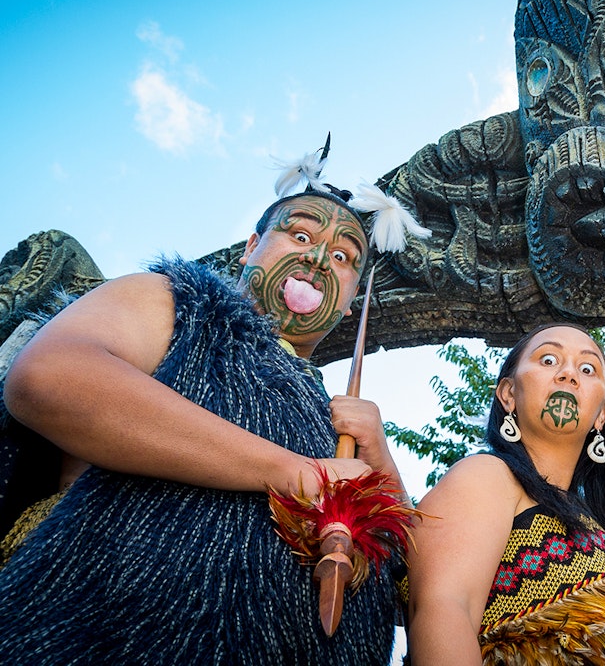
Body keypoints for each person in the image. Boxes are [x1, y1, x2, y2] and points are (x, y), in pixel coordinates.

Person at [0, 186, 405, 664]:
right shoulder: (183, 305)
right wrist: (300, 473)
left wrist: (381, 461)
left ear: (351, 302)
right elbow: (50, 378)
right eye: (299, 234)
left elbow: (409, 591)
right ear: (251, 248)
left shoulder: (347, 430)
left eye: (343, 256)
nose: (318, 258)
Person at [404, 323, 605, 666]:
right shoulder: (486, 474)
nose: (569, 374)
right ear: (508, 394)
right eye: (548, 360)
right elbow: (442, 609)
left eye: (587, 369)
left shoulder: (604, 530)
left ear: (601, 414)